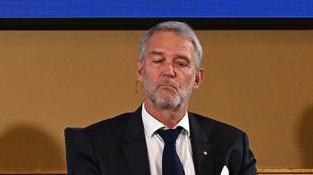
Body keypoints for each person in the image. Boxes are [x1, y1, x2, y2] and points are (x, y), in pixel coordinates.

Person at [66, 21, 256, 175]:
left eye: (181, 63)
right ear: (140, 71)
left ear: (197, 78)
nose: (169, 71)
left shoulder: (232, 145)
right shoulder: (95, 144)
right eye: (158, 61)